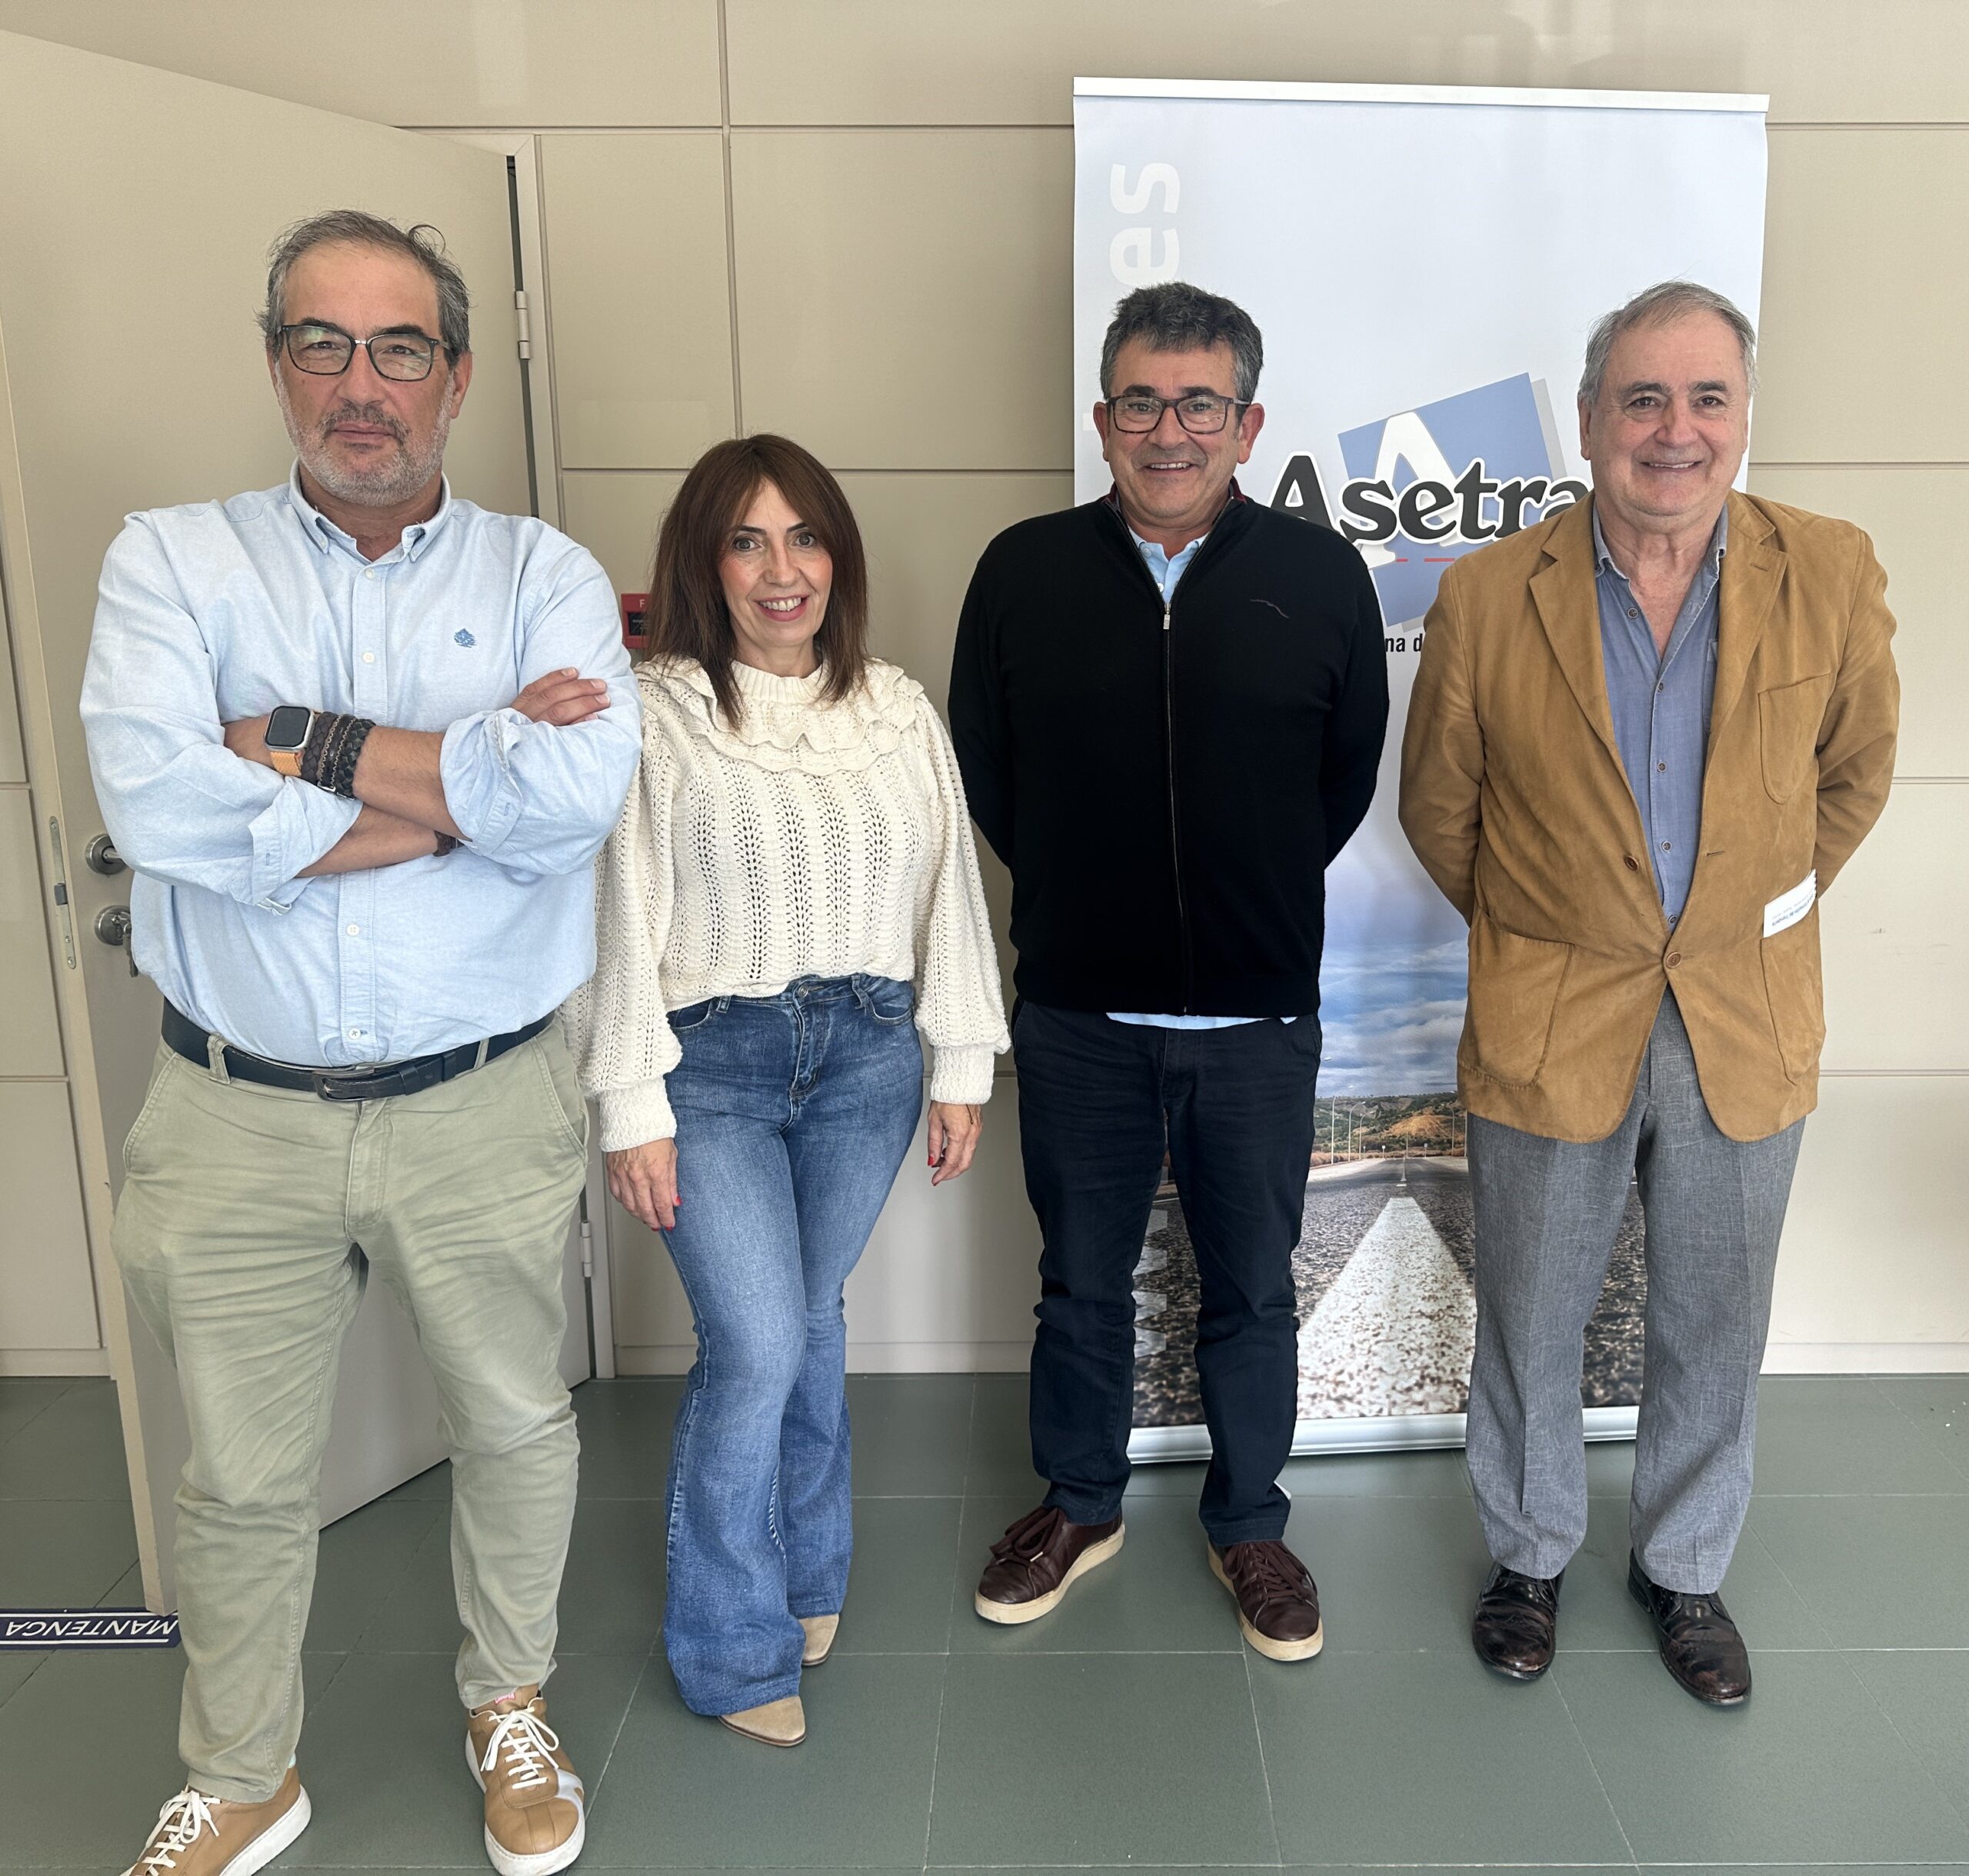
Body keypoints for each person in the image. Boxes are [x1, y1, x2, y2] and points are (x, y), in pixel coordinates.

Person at [82, 211, 639, 1876]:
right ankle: (244, 1774)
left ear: (455, 377)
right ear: (276, 365)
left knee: (515, 1428)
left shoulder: (539, 573)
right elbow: (159, 809)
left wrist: (293, 741)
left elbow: (570, 805)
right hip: (232, 1114)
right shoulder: (169, 561)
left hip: (483, 1099)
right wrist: (460, 783)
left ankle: (507, 1703)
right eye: (321, 343)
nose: (360, 383)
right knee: (237, 1481)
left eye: (400, 347)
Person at [1400, 280, 1898, 1704]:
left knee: (1716, 1320)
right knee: (1531, 1313)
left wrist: (1743, 917)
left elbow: (1854, 775)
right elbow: (1443, 811)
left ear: (1742, 417)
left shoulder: (1832, 570)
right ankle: (1529, 1555)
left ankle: (1684, 1569)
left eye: (1706, 398)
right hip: (1555, 1016)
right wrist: (1556, 930)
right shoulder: (1489, 595)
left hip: (1746, 1016)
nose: (1675, 431)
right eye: (1643, 399)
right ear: (1590, 420)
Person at [948, 282, 1388, 1660]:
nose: (1170, 430)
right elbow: (988, 776)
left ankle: (1249, 1523)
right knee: (1080, 1281)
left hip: (1255, 1016)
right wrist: (1090, 898)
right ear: (1103, 420)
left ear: (1248, 425)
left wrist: (1244, 895)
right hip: (1080, 1012)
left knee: (1253, 1287)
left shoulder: (1321, 576)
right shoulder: (1023, 572)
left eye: (1201, 403)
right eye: (1141, 401)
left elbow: (1341, 781)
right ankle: (1080, 1504)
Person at [566, 433, 1008, 1746]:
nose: (781, 569)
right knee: (757, 1340)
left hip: (869, 1055)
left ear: (838, 558)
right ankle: (731, 1646)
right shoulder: (654, 713)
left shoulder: (896, 707)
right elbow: (614, 915)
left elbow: (949, 895)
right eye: (747, 541)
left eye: (805, 537)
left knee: (809, 1317)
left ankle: (811, 1572)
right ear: (704, 564)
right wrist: (630, 1106)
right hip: (709, 1061)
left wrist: (962, 1061)